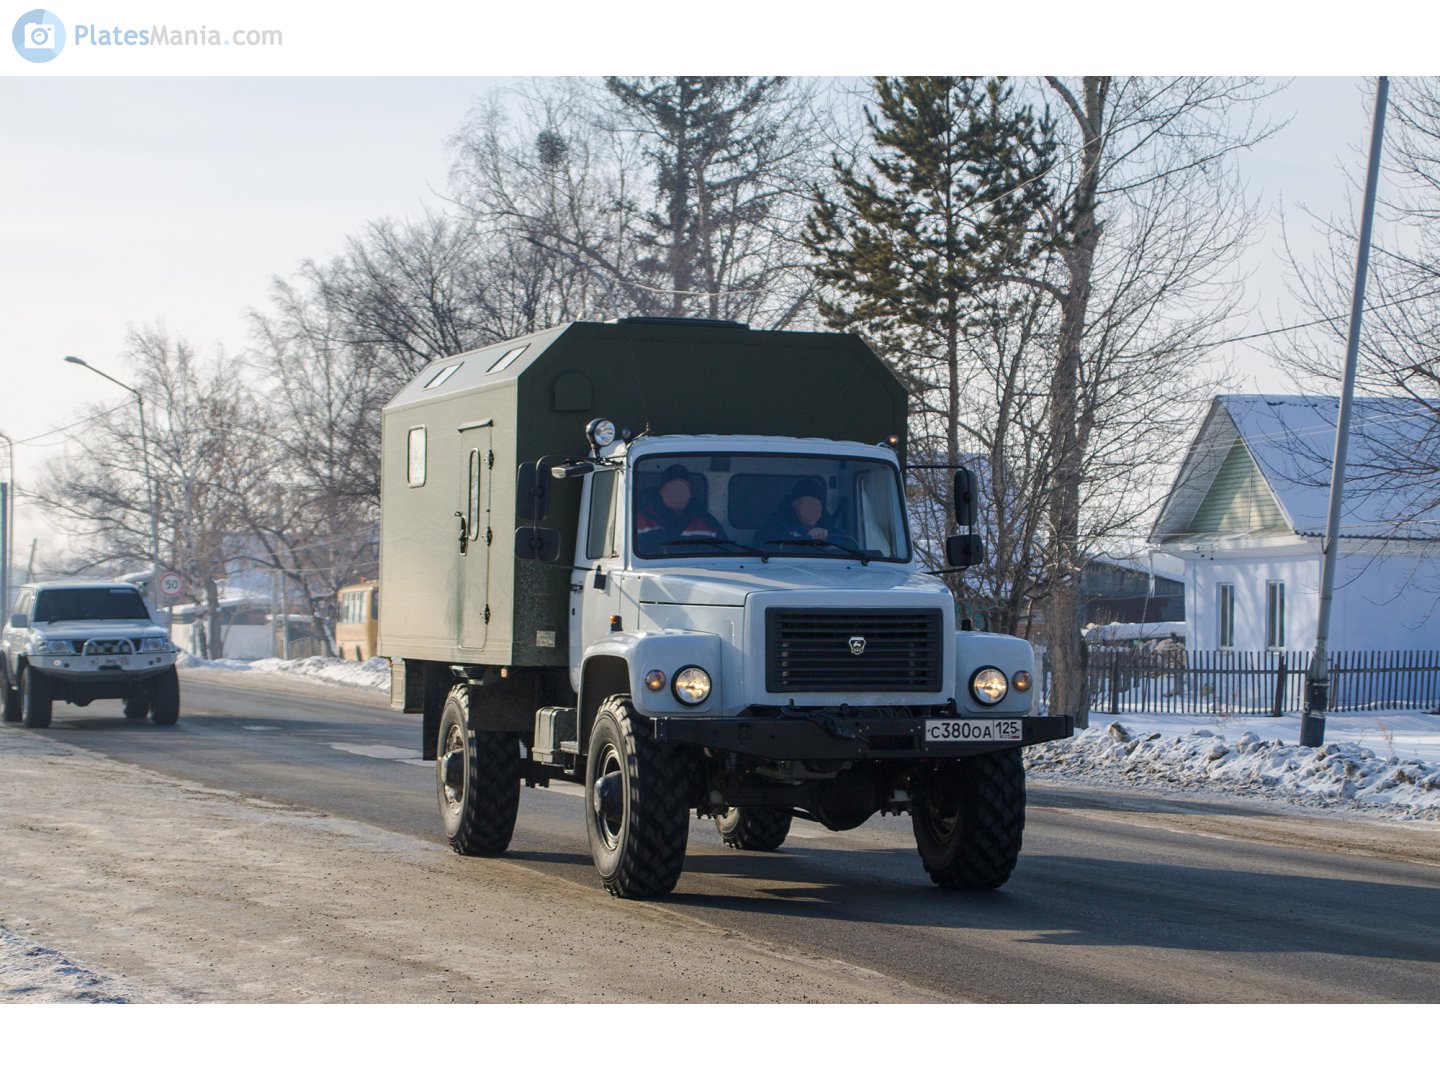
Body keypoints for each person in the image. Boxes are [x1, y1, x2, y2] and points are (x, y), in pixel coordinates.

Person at [635, 464, 724, 554]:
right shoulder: (640, 522)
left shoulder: (709, 524)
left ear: (690, 493)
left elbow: (722, 556)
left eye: (683, 488)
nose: (678, 493)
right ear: (661, 491)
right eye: (672, 488)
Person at [757, 478, 849, 546]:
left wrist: (827, 537)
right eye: (801, 503)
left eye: (814, 504)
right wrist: (806, 538)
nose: (808, 508)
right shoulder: (774, 528)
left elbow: (846, 543)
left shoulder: (830, 529)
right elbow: (765, 546)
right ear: (792, 505)